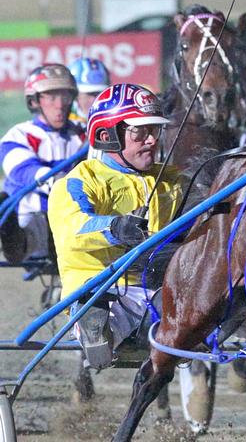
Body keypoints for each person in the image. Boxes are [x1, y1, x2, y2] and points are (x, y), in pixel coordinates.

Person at [48, 83, 182, 371]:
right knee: (103, 309)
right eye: (140, 132)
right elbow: (73, 229)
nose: (151, 140)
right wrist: (116, 227)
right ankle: (95, 329)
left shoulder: (173, 180)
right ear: (108, 134)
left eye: (154, 131)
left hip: (161, 287)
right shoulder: (79, 181)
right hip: (104, 288)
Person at [0, 63, 84, 264]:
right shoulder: (19, 135)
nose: (60, 104)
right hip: (35, 217)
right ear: (35, 101)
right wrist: (60, 183)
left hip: (77, 215)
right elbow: (23, 171)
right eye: (52, 96)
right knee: (42, 218)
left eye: (65, 96)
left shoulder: (86, 133)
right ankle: (14, 240)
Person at [67, 57, 111, 129]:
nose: (95, 100)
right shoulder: (63, 125)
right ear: (74, 95)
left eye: (100, 94)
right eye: (90, 94)